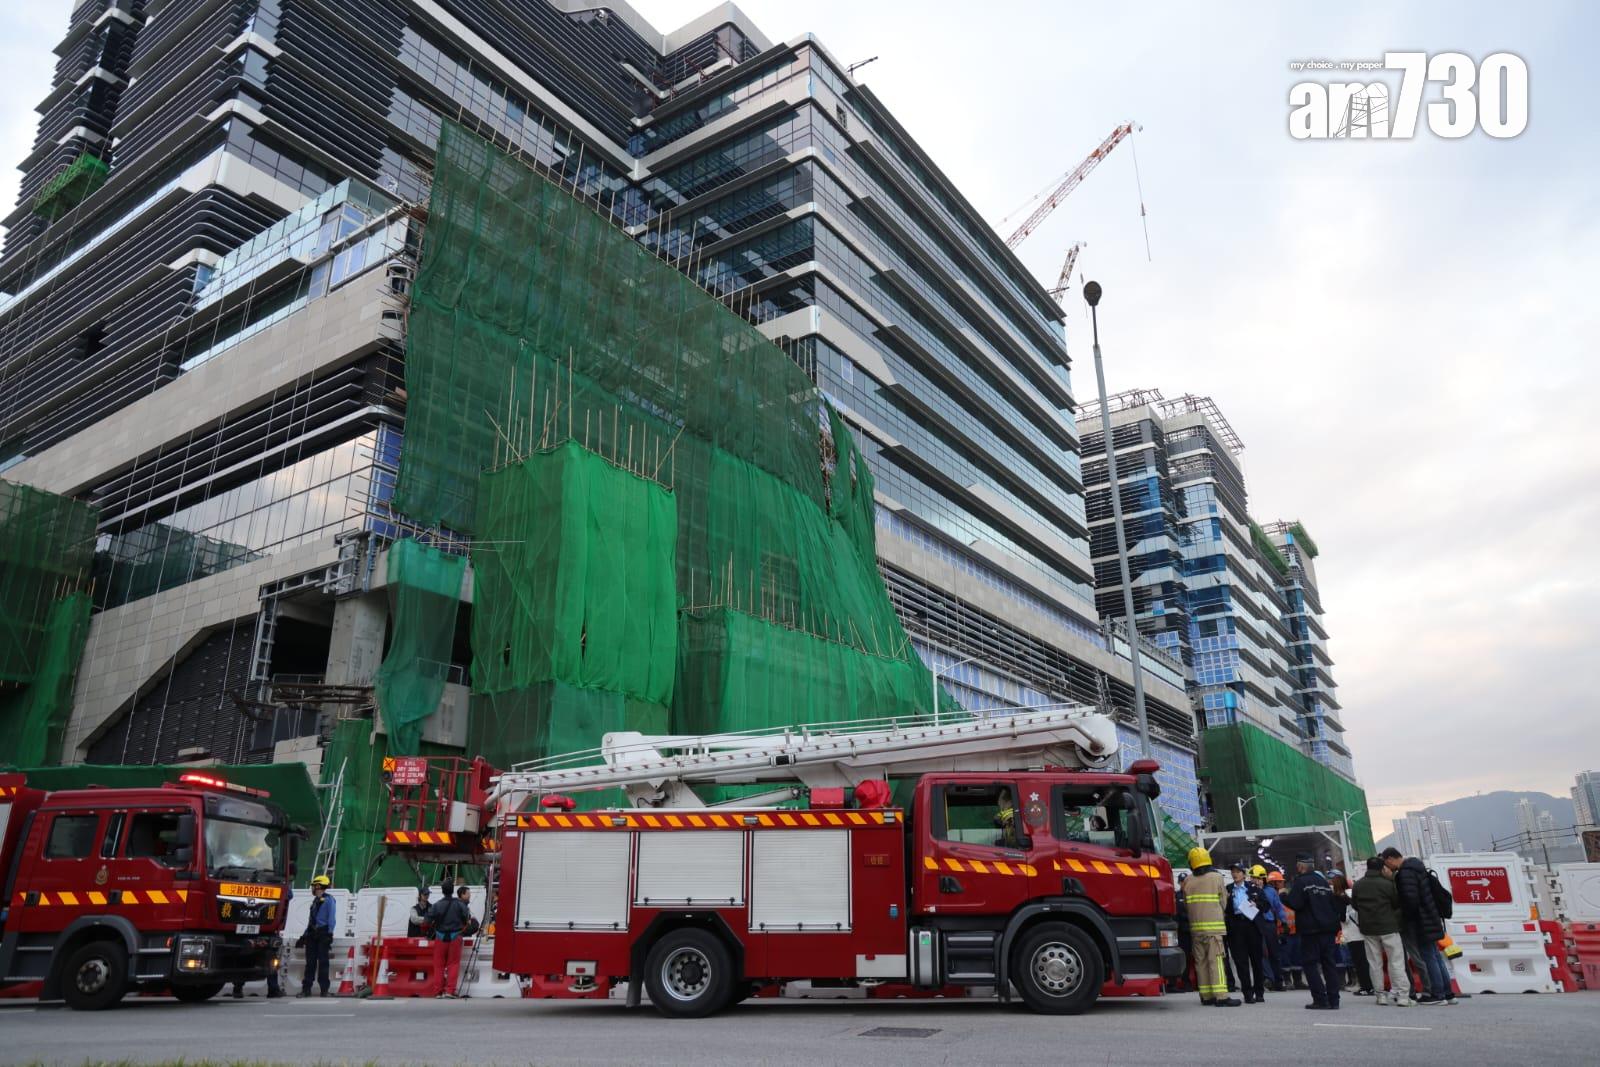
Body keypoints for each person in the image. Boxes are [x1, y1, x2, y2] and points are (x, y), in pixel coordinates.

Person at [1384, 847, 1457, 1006]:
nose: (1388, 867)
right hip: (1430, 917)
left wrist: (1406, 918)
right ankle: (1448, 993)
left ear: (1390, 859)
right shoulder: (1417, 867)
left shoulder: (1405, 873)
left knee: (1428, 957)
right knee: (1435, 956)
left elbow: (1410, 900)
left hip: (1420, 921)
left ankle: (1436, 994)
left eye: (1387, 863)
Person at [1286, 852, 1343, 1010]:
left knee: (1310, 964)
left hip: (1311, 930)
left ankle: (1320, 999)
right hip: (1328, 930)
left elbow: (1296, 904)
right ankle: (1334, 1000)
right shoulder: (1323, 882)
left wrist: (1284, 896)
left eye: (1298, 865)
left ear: (1301, 866)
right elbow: (1333, 904)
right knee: (1329, 964)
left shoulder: (1301, 882)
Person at [1184, 847, 1240, 1007]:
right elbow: (1224, 902)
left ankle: (1206, 996)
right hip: (1213, 930)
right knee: (1216, 962)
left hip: (1196, 930)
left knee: (1200, 963)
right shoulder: (1216, 877)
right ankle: (1221, 996)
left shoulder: (1188, 881)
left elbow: (1187, 905)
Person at [1353, 856, 1410, 1006]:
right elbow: (1396, 903)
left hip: (1368, 928)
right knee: (1396, 961)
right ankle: (1403, 995)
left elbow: (1355, 905)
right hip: (1388, 926)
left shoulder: (1358, 885)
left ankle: (1380, 995)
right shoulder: (1387, 884)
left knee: (1374, 962)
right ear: (1382, 868)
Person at [1224, 863, 1268, 1003]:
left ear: (1244, 874)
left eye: (1237, 871)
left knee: (1256, 960)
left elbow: (1266, 905)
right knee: (1240, 961)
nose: (1235, 874)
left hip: (1252, 925)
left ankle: (1259, 991)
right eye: (1233, 872)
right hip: (1236, 926)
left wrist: (1257, 905)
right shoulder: (1228, 889)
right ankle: (1247, 993)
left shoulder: (1253, 888)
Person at [1330, 872, 1370, 994]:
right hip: (1362, 930)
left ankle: (1365, 987)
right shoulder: (1352, 893)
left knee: (1358, 961)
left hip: (1352, 933)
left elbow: (1343, 917)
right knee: (1365, 960)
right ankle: (1368, 985)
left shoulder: (1339, 898)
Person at [296, 875, 336, 998]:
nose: (313, 889)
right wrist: (304, 936)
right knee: (310, 963)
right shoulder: (315, 902)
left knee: (323, 963)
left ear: (320, 886)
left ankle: (324, 990)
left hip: (323, 933)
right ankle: (306, 989)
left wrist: (329, 934)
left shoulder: (329, 900)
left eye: (315, 886)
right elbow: (311, 921)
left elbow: (331, 919)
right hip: (312, 934)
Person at [1256, 866, 1289, 990]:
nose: (1257, 880)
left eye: (1259, 878)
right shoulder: (1250, 890)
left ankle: (1278, 981)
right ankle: (1269, 979)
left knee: (1274, 953)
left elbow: (1278, 907)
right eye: (1255, 878)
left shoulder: (1270, 891)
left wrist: (1284, 922)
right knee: (1262, 953)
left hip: (1269, 924)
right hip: (1257, 925)